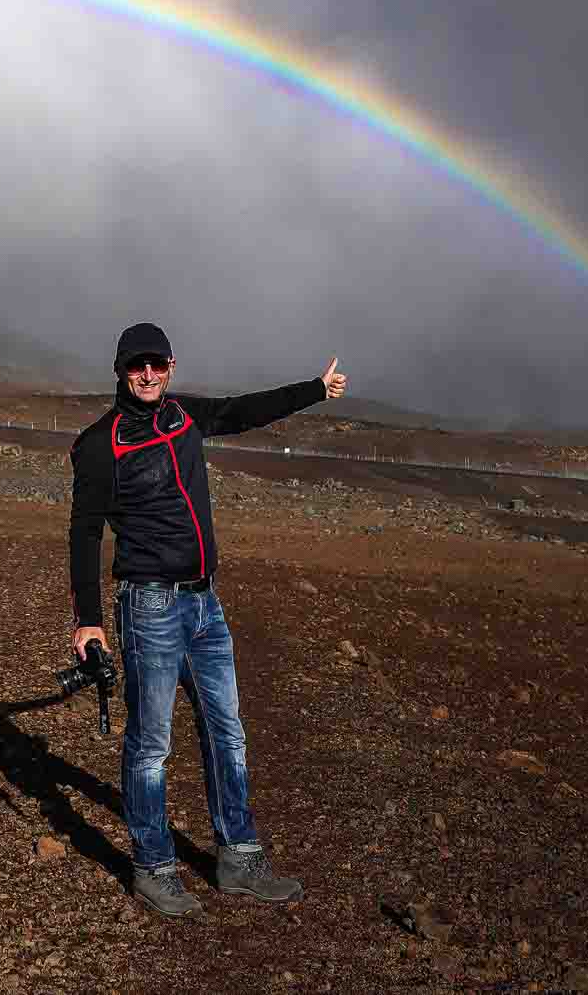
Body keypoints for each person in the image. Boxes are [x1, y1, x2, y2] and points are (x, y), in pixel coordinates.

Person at [68, 321, 347, 919]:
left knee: (229, 733)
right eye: (136, 365)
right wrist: (87, 621)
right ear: (120, 370)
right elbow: (85, 532)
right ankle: (153, 866)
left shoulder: (185, 416)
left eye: (157, 364)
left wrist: (315, 390)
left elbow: (244, 410)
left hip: (203, 603)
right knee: (151, 745)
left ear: (171, 366)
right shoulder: (100, 443)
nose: (148, 375)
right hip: (149, 607)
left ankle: (239, 860)